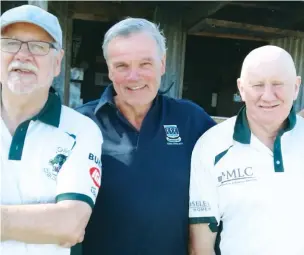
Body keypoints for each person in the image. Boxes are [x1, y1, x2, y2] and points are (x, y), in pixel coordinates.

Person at [76, 18, 216, 255]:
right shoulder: (82, 124)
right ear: (109, 69)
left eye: (145, 64)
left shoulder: (191, 119)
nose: (134, 76)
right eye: (122, 66)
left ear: (162, 64)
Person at [0, 5, 103, 255]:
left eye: (38, 46)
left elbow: (71, 225)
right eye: (11, 43)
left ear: (57, 63)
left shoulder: (81, 130)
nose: (23, 55)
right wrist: (42, 221)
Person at [189, 45, 304, 255]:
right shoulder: (211, 145)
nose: (268, 96)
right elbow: (201, 245)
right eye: (257, 85)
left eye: (278, 84)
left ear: (296, 87)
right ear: (241, 88)